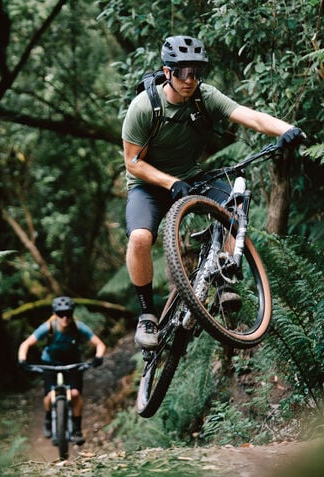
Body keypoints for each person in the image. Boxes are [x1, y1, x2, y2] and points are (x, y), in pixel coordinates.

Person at [123, 35, 306, 349]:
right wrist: (169, 183)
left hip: (194, 177)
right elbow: (133, 162)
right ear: (167, 72)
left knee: (234, 209)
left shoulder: (204, 96)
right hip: (148, 185)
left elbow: (250, 116)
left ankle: (224, 275)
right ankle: (147, 317)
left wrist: (287, 129)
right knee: (140, 237)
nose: (190, 79)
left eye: (196, 72)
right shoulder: (145, 107)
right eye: (182, 72)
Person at [17, 296, 106, 444]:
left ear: (72, 313)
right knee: (50, 395)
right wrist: (22, 360)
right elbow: (25, 344)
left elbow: (100, 344)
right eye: (60, 313)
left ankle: (77, 429)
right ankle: (48, 419)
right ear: (55, 313)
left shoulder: (78, 326)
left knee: (75, 394)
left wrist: (98, 357)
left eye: (68, 313)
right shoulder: (48, 327)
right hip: (50, 363)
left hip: (73, 364)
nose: (64, 317)